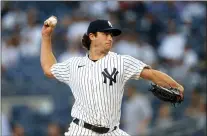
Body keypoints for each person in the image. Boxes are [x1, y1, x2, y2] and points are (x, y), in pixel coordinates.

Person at [41, 18, 184, 136]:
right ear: (92, 36)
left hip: (112, 132)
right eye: (105, 34)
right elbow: (48, 69)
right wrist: (46, 37)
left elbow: (152, 74)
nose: (110, 38)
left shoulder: (121, 61)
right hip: (81, 131)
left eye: (111, 35)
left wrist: (175, 85)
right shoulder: (74, 65)